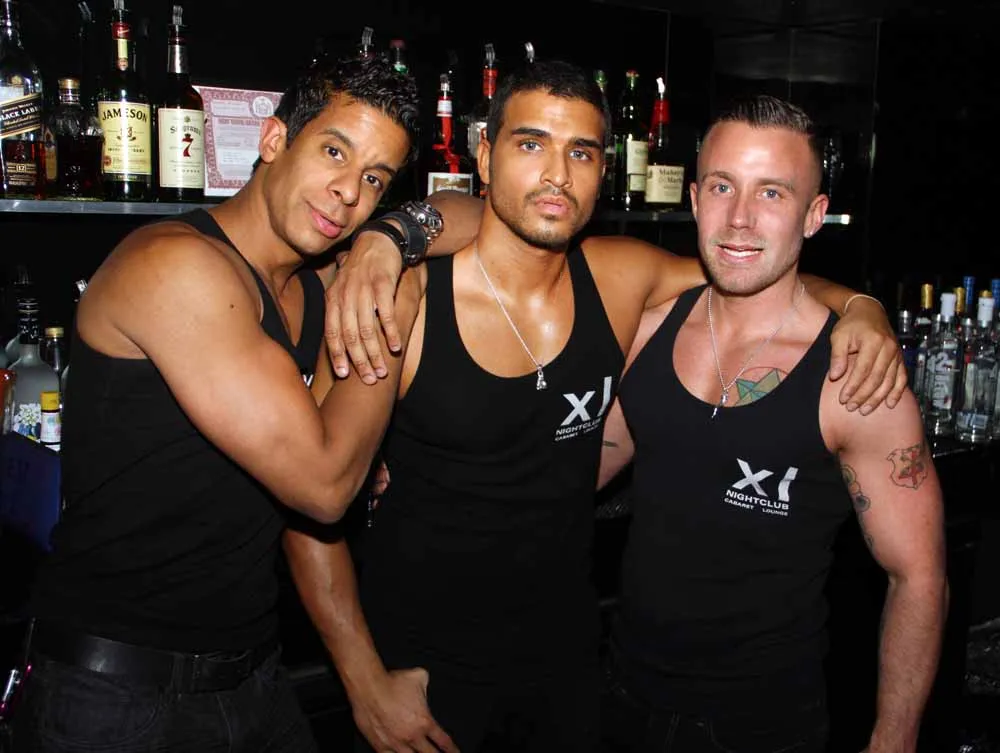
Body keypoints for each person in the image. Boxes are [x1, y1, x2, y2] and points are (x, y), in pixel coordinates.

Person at [287, 62, 907, 753]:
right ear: (484, 158)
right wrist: (365, 682)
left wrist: (862, 305)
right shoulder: (405, 299)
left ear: (604, 171)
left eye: (580, 153)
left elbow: (754, 269)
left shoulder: (620, 278)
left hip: (573, 678)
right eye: (530, 144)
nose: (556, 174)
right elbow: (309, 499)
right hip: (424, 682)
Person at [12, 55, 440, 752]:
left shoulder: (309, 288)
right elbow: (325, 486)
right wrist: (399, 297)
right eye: (334, 152)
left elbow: (476, 216)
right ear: (274, 139)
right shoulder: (176, 266)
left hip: (252, 676)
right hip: (112, 697)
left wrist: (393, 240)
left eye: (374, 179)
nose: (347, 193)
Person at [597, 95, 947, 753]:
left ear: (814, 215)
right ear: (694, 199)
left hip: (762, 724)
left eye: (772, 193)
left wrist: (894, 737)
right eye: (722, 187)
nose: (740, 218)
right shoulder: (644, 333)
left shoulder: (852, 377)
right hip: (621, 700)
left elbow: (919, 576)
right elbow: (568, 473)